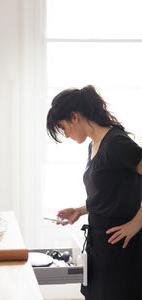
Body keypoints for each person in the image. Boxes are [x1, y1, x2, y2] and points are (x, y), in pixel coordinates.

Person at [46, 85, 142, 300]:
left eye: (63, 127)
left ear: (74, 116)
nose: (66, 135)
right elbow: (111, 192)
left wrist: (137, 223)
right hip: (100, 247)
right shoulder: (94, 145)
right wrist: (80, 210)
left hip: (121, 249)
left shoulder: (116, 144)